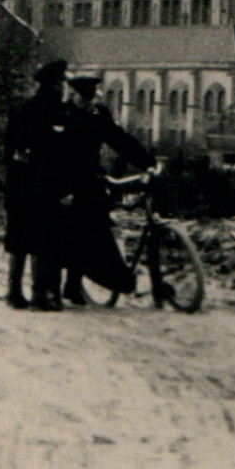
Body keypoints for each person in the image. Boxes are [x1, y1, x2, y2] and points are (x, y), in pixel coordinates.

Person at [52, 74, 157, 306]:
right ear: (75, 94)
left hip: (90, 181)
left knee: (93, 234)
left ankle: (74, 287)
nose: (90, 102)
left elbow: (119, 140)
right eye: (85, 97)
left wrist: (147, 162)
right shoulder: (61, 115)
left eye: (92, 97)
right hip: (64, 184)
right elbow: (53, 157)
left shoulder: (97, 115)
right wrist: (63, 189)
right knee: (63, 236)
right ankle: (52, 289)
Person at [2, 59, 68, 311]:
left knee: (20, 239)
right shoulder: (55, 112)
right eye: (61, 82)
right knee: (41, 240)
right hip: (41, 186)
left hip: (21, 185)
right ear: (55, 84)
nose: (62, 87)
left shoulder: (24, 108)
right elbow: (56, 153)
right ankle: (38, 294)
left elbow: (9, 152)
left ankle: (16, 292)